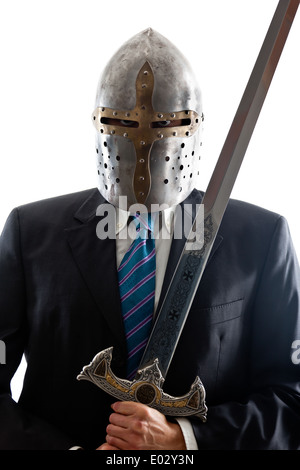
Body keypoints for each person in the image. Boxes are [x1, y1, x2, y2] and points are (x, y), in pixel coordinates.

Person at [0, 28, 299, 451]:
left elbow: (292, 399)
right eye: (121, 123)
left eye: (167, 125)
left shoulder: (259, 240)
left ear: (192, 128)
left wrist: (186, 439)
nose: (143, 144)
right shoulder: (31, 233)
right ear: (98, 122)